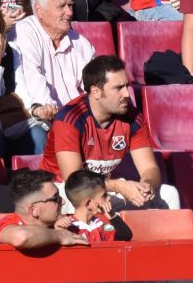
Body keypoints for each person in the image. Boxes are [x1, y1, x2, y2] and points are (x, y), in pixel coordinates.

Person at [41, 55, 175, 210]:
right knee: (80, 202)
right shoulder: (69, 119)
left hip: (103, 189)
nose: (126, 94)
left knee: (169, 194)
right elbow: (74, 180)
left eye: (127, 86)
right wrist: (118, 186)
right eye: (118, 88)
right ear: (96, 92)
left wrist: (146, 186)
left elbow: (150, 169)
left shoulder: (133, 118)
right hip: (62, 192)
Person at [12, 0, 100, 144]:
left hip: (77, 121)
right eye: (62, 6)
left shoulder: (81, 43)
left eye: (70, 5)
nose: (70, 12)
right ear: (39, 10)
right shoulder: (24, 31)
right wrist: (48, 109)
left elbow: (93, 87)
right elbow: (32, 77)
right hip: (41, 118)